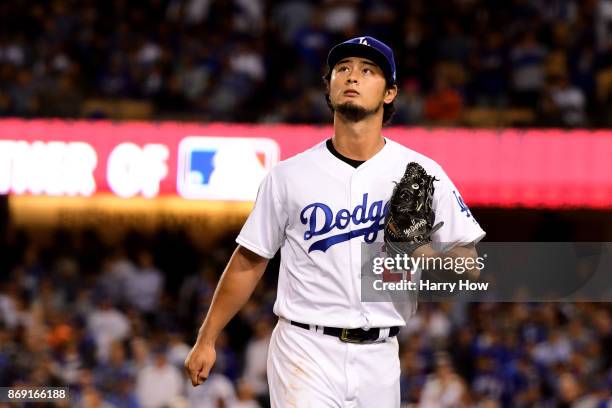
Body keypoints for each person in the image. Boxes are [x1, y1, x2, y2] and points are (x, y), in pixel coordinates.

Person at [185, 36, 486, 407]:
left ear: (390, 93)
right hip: (304, 348)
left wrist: (420, 251)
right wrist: (207, 338)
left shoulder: (422, 173)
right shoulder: (289, 176)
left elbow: (468, 265)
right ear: (328, 89)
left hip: (380, 354)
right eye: (342, 69)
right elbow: (249, 260)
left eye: (367, 70)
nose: (352, 77)